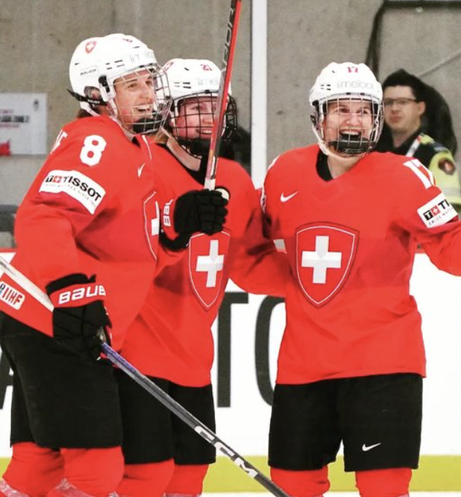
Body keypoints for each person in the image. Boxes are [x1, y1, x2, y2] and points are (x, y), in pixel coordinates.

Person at [260, 62, 461, 497]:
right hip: (304, 364)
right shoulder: (283, 174)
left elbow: (451, 249)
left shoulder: (406, 177)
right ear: (318, 116)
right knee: (292, 485)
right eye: (340, 109)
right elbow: (252, 252)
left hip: (383, 363)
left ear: (375, 119)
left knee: (383, 488)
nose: (353, 120)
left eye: (363, 111)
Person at [0, 35, 228, 497]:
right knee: (97, 472)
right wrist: (71, 288)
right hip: (52, 321)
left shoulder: (134, 148)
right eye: (131, 84)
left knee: (38, 464)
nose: (148, 94)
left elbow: (135, 243)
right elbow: (44, 215)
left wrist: (181, 224)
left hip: (44, 322)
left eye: (150, 82)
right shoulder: (97, 139)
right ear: (98, 94)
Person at [115, 58, 288, 497]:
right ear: (167, 111)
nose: (208, 117)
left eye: (216, 106)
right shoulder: (141, 166)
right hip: (136, 351)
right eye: (195, 107)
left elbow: (248, 259)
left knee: (190, 476)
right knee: (144, 475)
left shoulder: (233, 178)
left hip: (193, 356)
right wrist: (175, 227)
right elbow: (121, 252)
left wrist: (300, 279)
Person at [375, 69, 461, 211]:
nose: (394, 108)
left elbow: (447, 212)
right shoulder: (373, 152)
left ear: (420, 108)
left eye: (403, 102)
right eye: (388, 102)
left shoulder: (435, 156)